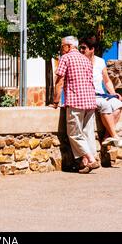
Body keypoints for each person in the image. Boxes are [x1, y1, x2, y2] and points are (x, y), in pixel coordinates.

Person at [51, 36, 99, 174]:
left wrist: (55, 101)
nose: (61, 49)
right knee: (87, 133)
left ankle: (90, 159)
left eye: (62, 46)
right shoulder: (86, 59)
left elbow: (59, 81)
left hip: (76, 100)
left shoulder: (65, 58)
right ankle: (86, 163)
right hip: (90, 101)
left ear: (68, 46)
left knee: (74, 133)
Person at [79, 36, 122, 148]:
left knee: (118, 104)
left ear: (92, 49)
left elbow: (107, 81)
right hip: (88, 95)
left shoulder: (100, 61)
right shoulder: (80, 62)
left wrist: (113, 94)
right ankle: (115, 136)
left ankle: (108, 136)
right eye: (81, 48)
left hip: (101, 95)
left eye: (84, 48)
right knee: (106, 105)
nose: (81, 50)